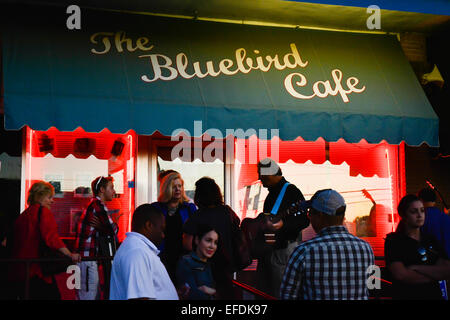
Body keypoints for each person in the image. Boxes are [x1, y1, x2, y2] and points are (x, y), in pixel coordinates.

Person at [280, 189, 375, 300]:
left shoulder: (303, 252)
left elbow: (287, 295)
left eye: (310, 212)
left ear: (319, 216)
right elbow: (370, 288)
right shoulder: (366, 249)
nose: (309, 217)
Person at [9, 181, 80, 300]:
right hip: (36, 271)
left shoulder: (24, 215)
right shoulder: (43, 212)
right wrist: (70, 254)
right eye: (49, 197)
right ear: (40, 196)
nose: (52, 201)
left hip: (20, 271)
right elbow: (51, 238)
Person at [255, 158, 309, 298]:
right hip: (269, 251)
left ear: (271, 174)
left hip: (282, 252)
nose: (260, 180)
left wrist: (284, 225)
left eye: (263, 177)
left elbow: (304, 220)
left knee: (280, 293)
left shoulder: (292, 191)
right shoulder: (272, 193)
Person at [183, 177, 242, 299]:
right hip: (226, 268)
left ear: (199, 195)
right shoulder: (227, 212)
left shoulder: (197, 216)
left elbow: (187, 244)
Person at [384, 194, 450, 300]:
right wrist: (435, 275)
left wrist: (417, 268)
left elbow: (447, 270)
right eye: (414, 211)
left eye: (422, 210)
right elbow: (401, 275)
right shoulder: (394, 241)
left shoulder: (430, 239)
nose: (420, 215)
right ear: (404, 215)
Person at [109, 204, 178, 300]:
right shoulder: (137, 252)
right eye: (161, 229)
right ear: (148, 225)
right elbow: (139, 297)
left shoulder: (138, 249)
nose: (163, 235)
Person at [75, 176, 119, 300]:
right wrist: (105, 227)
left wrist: (101, 227)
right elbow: (114, 229)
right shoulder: (98, 205)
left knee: (86, 295)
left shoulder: (92, 204)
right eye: (111, 187)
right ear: (102, 189)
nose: (114, 191)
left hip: (82, 259)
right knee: (88, 296)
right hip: (87, 260)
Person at [151, 172, 197, 282]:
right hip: (162, 258)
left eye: (179, 186)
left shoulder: (189, 208)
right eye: (174, 186)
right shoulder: (156, 208)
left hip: (184, 258)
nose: (178, 189)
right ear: (166, 188)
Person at [176, 224, 219, 300]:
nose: (212, 246)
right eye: (208, 240)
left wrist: (211, 291)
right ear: (197, 240)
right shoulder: (186, 262)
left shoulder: (211, 264)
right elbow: (190, 294)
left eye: (215, 242)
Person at [418, 187, 450, 258]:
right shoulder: (446, 218)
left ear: (420, 200)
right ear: (435, 201)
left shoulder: (419, 219)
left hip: (431, 262)